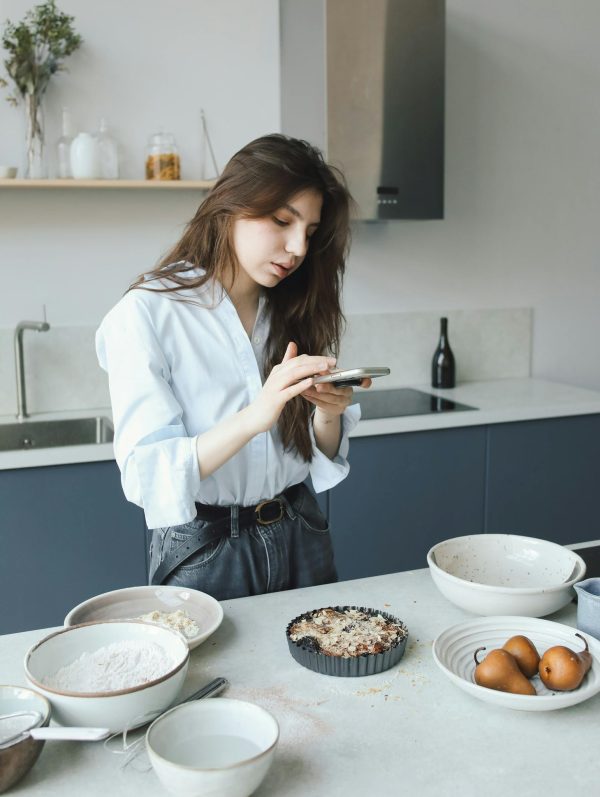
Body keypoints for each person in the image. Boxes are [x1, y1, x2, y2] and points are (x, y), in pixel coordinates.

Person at [95, 133, 371, 601]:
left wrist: (327, 412)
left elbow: (315, 459)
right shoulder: (146, 314)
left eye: (309, 231)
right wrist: (253, 418)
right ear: (231, 205)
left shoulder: (294, 308)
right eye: (283, 221)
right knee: (216, 677)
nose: (298, 247)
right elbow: (147, 475)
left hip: (300, 526)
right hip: (205, 549)